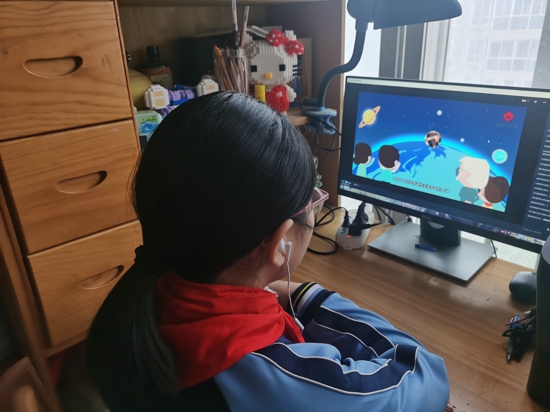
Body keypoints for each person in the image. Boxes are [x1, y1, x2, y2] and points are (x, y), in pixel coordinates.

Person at [86, 92, 450, 412]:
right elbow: (425, 374)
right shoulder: (281, 379)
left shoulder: (145, 300)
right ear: (281, 242)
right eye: (313, 198)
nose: (316, 206)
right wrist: (307, 295)